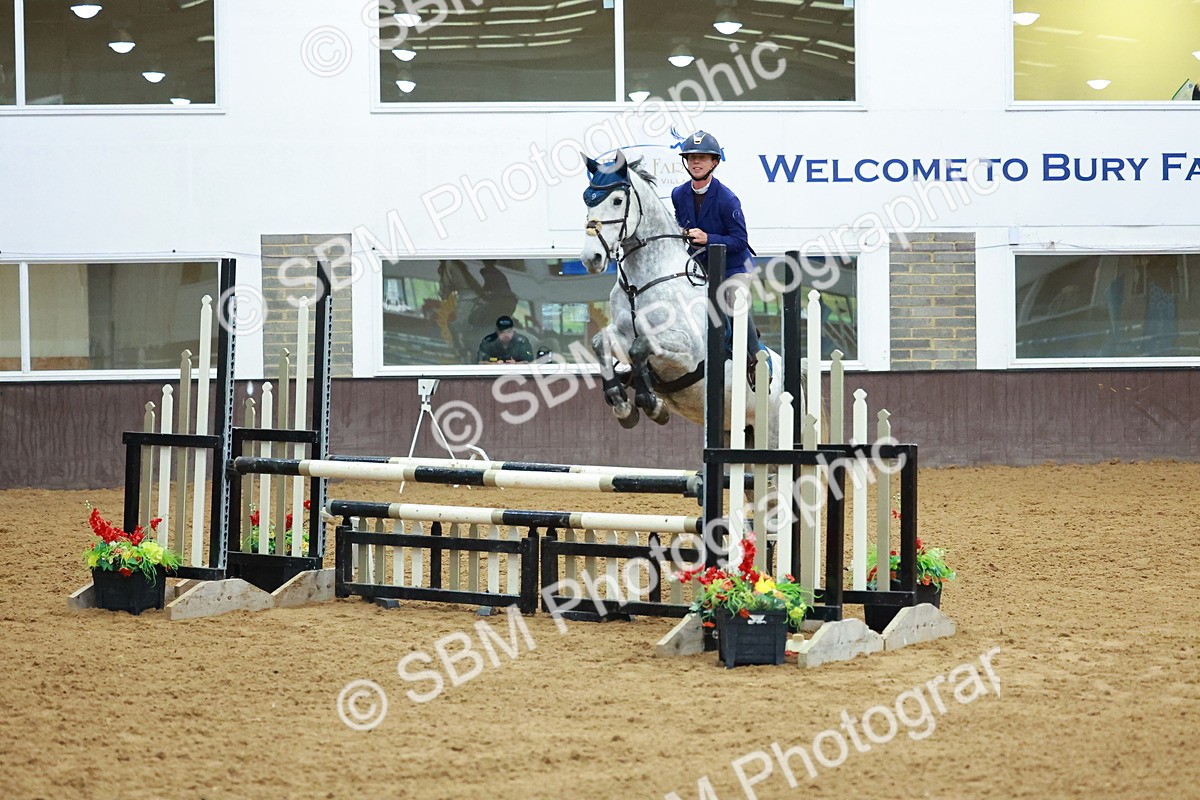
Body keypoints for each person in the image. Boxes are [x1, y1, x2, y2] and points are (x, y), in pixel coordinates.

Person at [670, 130, 764, 369]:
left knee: (734, 301)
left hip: (734, 267)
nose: (696, 162)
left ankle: (758, 360)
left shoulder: (727, 199)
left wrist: (707, 238)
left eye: (702, 157)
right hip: (701, 267)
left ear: (715, 162)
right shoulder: (678, 194)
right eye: (691, 158)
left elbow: (740, 240)